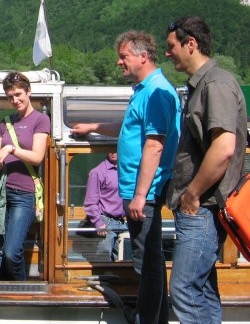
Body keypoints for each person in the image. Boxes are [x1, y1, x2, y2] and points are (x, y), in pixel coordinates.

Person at [72, 30, 180, 324]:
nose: (119, 62)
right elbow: (129, 128)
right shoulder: (145, 91)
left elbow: (155, 145)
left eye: (124, 57)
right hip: (137, 190)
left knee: (147, 263)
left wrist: (141, 195)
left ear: (142, 57)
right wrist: (93, 126)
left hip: (142, 192)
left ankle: (149, 320)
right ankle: (156, 318)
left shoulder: (157, 92)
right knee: (152, 260)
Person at [165, 17, 247, 324]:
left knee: (184, 290)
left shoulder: (216, 85)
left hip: (203, 208)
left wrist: (192, 194)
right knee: (203, 289)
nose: (167, 53)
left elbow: (224, 147)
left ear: (191, 44)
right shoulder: (204, 85)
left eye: (171, 46)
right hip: (203, 208)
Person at [0, 71, 50, 281]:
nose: (14, 100)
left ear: (28, 92)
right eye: (9, 96)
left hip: (24, 195)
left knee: (11, 251)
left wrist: (10, 149)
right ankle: (2, 290)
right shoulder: (4, 122)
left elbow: (37, 157)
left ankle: (21, 292)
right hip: (0, 194)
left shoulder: (40, 120)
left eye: (18, 94)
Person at [83, 152, 127, 261]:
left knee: (122, 262)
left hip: (123, 222)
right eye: (109, 149)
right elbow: (90, 202)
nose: (113, 152)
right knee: (103, 261)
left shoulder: (127, 169)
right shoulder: (97, 172)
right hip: (105, 223)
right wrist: (99, 223)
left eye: (116, 148)